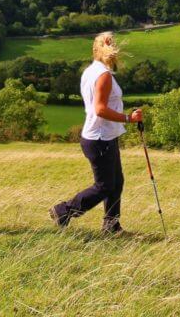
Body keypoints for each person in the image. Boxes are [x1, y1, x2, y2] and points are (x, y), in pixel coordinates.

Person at [50, 32, 142, 235]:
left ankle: (111, 226)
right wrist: (128, 118)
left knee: (116, 183)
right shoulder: (103, 76)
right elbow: (100, 109)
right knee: (104, 186)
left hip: (103, 136)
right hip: (100, 138)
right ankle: (63, 211)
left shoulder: (90, 71)